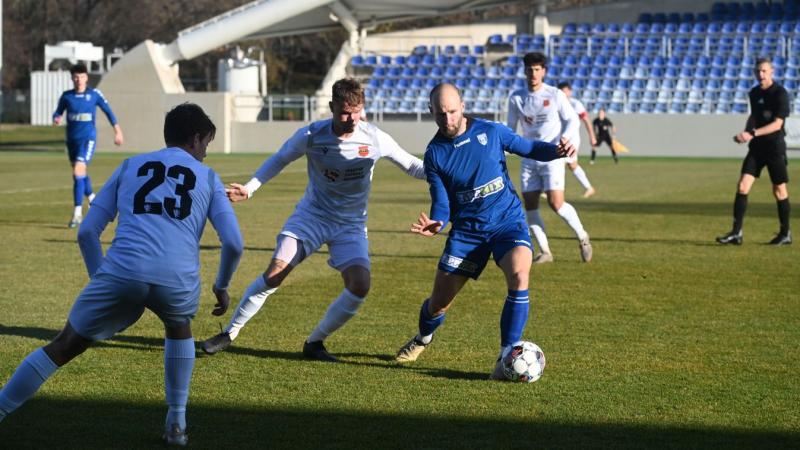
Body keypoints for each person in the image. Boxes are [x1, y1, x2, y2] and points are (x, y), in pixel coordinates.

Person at [0, 103, 243, 445]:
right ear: (195, 138)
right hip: (177, 279)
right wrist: (222, 286)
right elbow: (233, 243)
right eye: (206, 143)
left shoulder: (130, 165)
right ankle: (176, 424)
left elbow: (87, 233)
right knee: (179, 329)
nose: (205, 151)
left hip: (122, 270)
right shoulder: (208, 177)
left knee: (66, 344)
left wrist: (101, 277)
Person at [201, 78, 425, 362]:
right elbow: (280, 159)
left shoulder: (374, 138)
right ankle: (230, 332)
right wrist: (250, 188)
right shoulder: (312, 134)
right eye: (344, 112)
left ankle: (315, 343)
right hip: (312, 216)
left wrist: (448, 168)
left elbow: (415, 167)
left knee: (360, 284)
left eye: (357, 112)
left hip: (350, 224)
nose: (351, 119)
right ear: (331, 107)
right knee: (275, 274)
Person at [394, 83, 575, 379]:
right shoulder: (435, 155)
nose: (448, 119)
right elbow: (441, 203)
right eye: (441, 114)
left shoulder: (491, 132)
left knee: (519, 275)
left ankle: (506, 355)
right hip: (467, 234)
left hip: (507, 222)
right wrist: (437, 222)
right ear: (431, 113)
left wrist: (556, 150)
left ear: (462, 106)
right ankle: (423, 338)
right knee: (438, 305)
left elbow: (527, 147)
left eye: (452, 112)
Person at [507, 52, 593, 264]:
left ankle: (582, 236)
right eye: (530, 69)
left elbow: (572, 120)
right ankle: (545, 251)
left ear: (543, 71)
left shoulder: (555, 94)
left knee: (556, 203)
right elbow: (510, 129)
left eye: (537, 69)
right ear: (524, 71)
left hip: (552, 156)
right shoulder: (516, 98)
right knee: (531, 205)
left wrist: (565, 138)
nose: (533, 73)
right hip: (528, 158)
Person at [717, 57, 792, 245]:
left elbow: (777, 125)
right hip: (757, 148)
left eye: (764, 71)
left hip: (774, 148)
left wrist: (751, 133)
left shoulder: (780, 93)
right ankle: (736, 233)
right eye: (758, 71)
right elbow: (754, 116)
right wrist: (745, 132)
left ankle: (785, 233)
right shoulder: (754, 93)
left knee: (779, 190)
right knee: (742, 186)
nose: (761, 74)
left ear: (772, 72)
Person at [53, 63, 125, 228]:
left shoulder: (94, 94)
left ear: (87, 77)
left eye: (82, 76)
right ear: (72, 78)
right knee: (79, 174)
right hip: (72, 140)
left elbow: (109, 112)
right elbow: (58, 112)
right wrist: (56, 118)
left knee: (78, 171)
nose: (79, 80)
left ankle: (77, 214)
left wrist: (118, 131)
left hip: (88, 139)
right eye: (76, 77)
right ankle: (94, 199)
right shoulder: (66, 96)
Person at [558, 81, 597, 198]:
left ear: (570, 92)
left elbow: (586, 120)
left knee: (560, 161)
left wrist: (592, 136)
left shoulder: (576, 104)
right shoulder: (557, 104)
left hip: (573, 139)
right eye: (561, 92)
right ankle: (589, 188)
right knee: (572, 165)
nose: (564, 94)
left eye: (565, 91)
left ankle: (554, 190)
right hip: (561, 138)